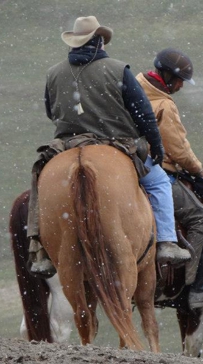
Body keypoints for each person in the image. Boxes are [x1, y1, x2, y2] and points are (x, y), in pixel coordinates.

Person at [27, 16, 191, 277]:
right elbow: (144, 114)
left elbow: (51, 112)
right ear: (100, 42)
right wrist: (156, 146)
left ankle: (40, 250)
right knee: (159, 182)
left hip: (67, 145)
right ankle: (167, 242)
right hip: (117, 144)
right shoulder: (118, 69)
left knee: (40, 181)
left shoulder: (53, 73)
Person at [136, 48, 203, 309]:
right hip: (155, 168)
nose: (180, 86)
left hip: (128, 162)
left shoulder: (134, 87)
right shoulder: (164, 105)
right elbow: (178, 149)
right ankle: (197, 287)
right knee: (200, 218)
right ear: (167, 76)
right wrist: (199, 171)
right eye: (179, 80)